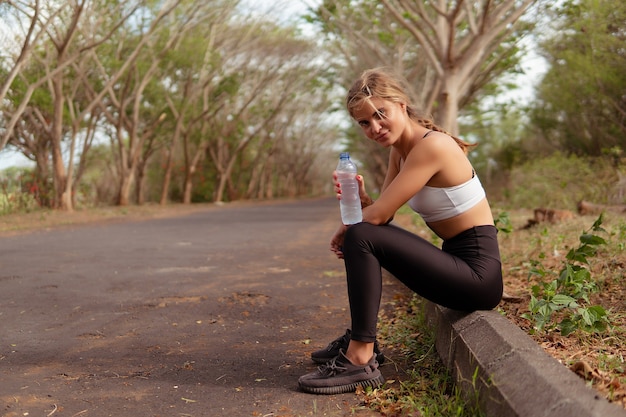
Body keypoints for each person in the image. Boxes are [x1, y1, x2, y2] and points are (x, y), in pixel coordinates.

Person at [298, 68, 503, 395]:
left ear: (402, 105)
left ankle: (360, 355)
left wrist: (351, 225)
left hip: (478, 277)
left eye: (381, 114)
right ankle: (360, 341)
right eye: (365, 122)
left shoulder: (432, 146)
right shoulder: (401, 150)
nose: (374, 127)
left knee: (360, 235)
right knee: (361, 235)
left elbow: (375, 222)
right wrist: (365, 201)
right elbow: (385, 214)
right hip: (456, 265)